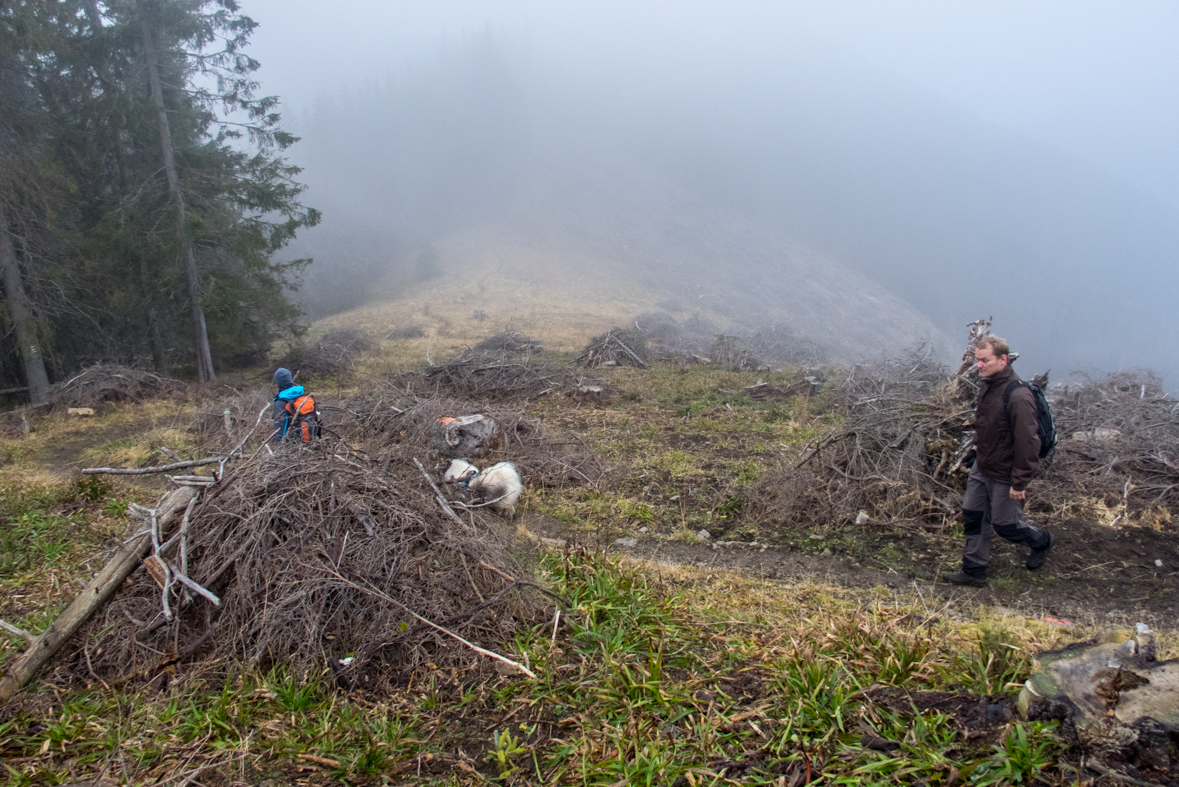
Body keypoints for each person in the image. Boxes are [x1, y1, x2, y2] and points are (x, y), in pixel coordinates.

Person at [942, 336, 1054, 587]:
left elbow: (1029, 442)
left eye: (985, 360)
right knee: (973, 515)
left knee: (1007, 526)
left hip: (1006, 474)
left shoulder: (1019, 395)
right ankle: (973, 570)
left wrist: (1020, 482)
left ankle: (1043, 541)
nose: (979, 366)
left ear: (1003, 360)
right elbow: (986, 424)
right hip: (983, 467)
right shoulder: (988, 385)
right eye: (978, 360)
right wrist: (976, 448)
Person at [272, 367, 320, 442]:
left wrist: (279, 448)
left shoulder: (280, 403)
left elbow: (280, 429)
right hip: (312, 440)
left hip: (294, 445)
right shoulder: (303, 395)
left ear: (277, 382)